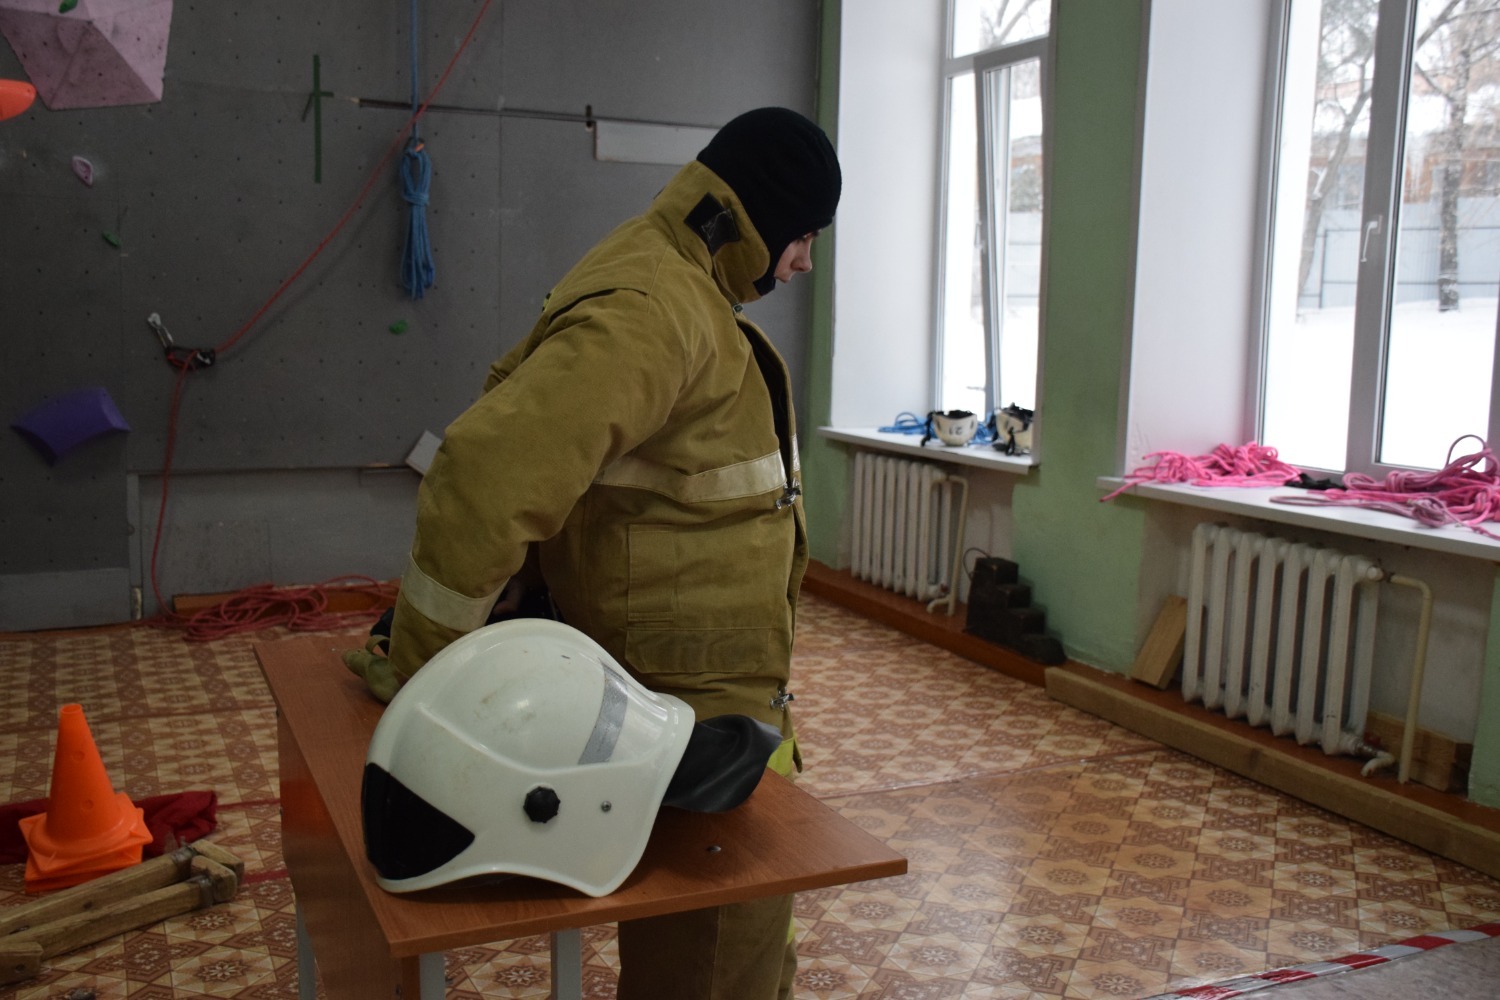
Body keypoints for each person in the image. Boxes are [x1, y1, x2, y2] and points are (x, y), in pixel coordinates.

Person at [345, 105, 841, 1000]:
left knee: (746, 940)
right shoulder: (658, 308)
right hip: (687, 709)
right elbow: (489, 475)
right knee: (716, 959)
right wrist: (431, 688)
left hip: (706, 694)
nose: (804, 262)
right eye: (804, 237)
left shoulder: (668, 281)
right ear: (758, 218)